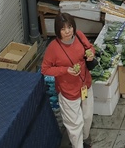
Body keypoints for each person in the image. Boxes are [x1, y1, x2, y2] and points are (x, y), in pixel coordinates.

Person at [41, 13, 97, 148]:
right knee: (74, 124)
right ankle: (77, 145)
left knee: (87, 116)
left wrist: (91, 54)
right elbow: (45, 69)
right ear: (57, 30)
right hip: (68, 91)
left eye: (70, 27)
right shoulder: (53, 48)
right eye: (63, 29)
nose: (67, 31)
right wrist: (65, 70)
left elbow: (89, 47)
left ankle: (84, 139)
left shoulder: (79, 36)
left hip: (85, 85)